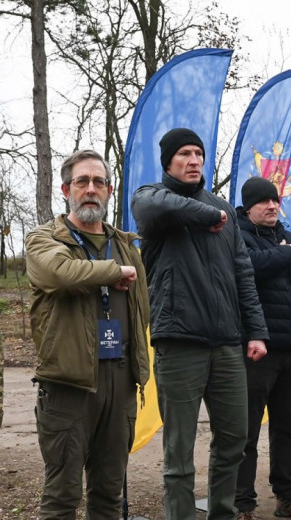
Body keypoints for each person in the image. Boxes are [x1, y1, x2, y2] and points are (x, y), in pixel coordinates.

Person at [131, 128, 269, 520]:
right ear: (168, 162)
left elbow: (244, 274)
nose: (193, 161)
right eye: (184, 154)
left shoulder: (221, 207)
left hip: (226, 343)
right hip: (179, 343)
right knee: (179, 453)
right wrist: (208, 215)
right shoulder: (152, 200)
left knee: (234, 441)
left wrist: (256, 330)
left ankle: (221, 513)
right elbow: (154, 208)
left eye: (199, 154)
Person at [26, 150, 150, 520]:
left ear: (110, 190)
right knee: (62, 498)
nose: (90, 189)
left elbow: (143, 305)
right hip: (69, 385)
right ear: (67, 189)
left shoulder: (128, 245)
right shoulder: (44, 239)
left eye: (99, 182)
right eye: (82, 181)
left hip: (120, 380)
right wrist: (112, 272)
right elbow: (57, 273)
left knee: (109, 496)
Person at [234, 177, 291, 520]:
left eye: (275, 201)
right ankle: (241, 504)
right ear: (248, 207)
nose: (273, 206)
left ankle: (287, 497)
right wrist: (286, 254)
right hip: (255, 352)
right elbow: (248, 268)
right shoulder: (238, 237)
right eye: (264, 202)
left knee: (286, 429)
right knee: (246, 433)